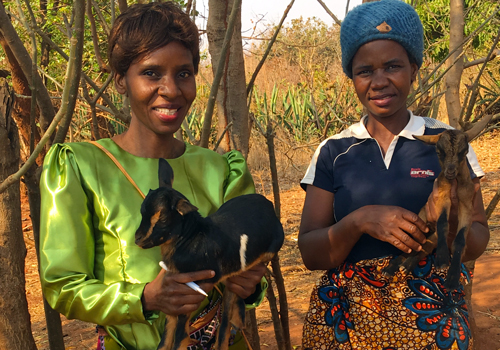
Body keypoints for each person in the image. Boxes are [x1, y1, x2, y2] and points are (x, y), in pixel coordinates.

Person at [39, 3, 267, 349]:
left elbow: (250, 265)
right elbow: (62, 284)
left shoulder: (222, 170)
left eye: (184, 73)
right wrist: (145, 298)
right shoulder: (82, 167)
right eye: (151, 73)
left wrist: (250, 281)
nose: (172, 90)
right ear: (120, 80)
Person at [298, 1, 489, 349]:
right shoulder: (333, 151)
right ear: (351, 77)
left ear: (414, 68)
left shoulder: (447, 143)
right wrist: (360, 221)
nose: (380, 81)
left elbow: (476, 240)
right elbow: (311, 253)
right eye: (365, 70)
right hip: (349, 325)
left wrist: (445, 222)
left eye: (393, 66)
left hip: (431, 319)